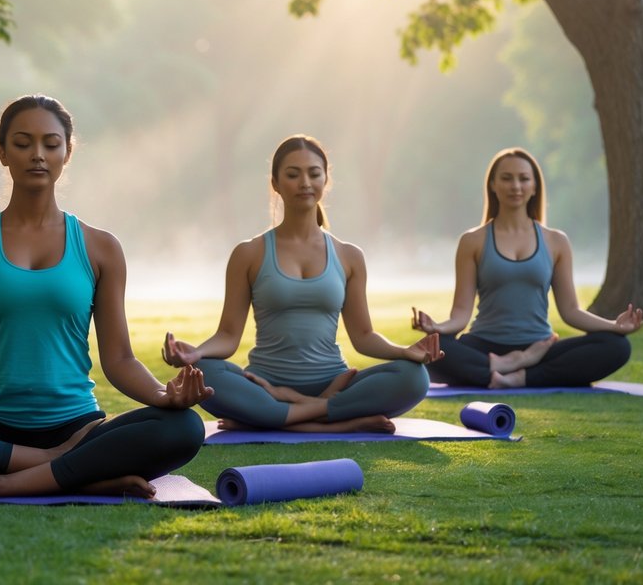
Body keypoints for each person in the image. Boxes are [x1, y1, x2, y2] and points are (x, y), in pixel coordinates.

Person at [0, 95, 209, 500]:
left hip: (77, 427)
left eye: (51, 143)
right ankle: (79, 472)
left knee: (184, 427)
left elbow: (119, 360)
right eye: (22, 142)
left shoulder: (101, 248)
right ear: (2, 152)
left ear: (68, 151)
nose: (37, 155)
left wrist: (162, 396)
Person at [163, 135, 441, 433]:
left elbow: (364, 335)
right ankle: (340, 422)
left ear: (326, 180)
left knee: (414, 377)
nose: (305, 182)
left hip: (334, 381)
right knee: (204, 374)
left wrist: (404, 352)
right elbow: (228, 335)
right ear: (276, 184)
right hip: (264, 384)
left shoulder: (349, 255)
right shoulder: (249, 253)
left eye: (314, 173)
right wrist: (196, 355)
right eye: (293, 174)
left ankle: (283, 412)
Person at [412, 147, 638, 388]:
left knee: (617, 346)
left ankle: (515, 373)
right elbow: (460, 314)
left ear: (534, 187)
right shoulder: (472, 241)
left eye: (524, 179)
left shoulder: (556, 241)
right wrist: (436, 327)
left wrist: (614, 326)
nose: (516, 186)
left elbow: (571, 311)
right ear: (493, 185)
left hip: (539, 347)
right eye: (507, 178)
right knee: (435, 347)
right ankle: (514, 368)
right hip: (483, 346)